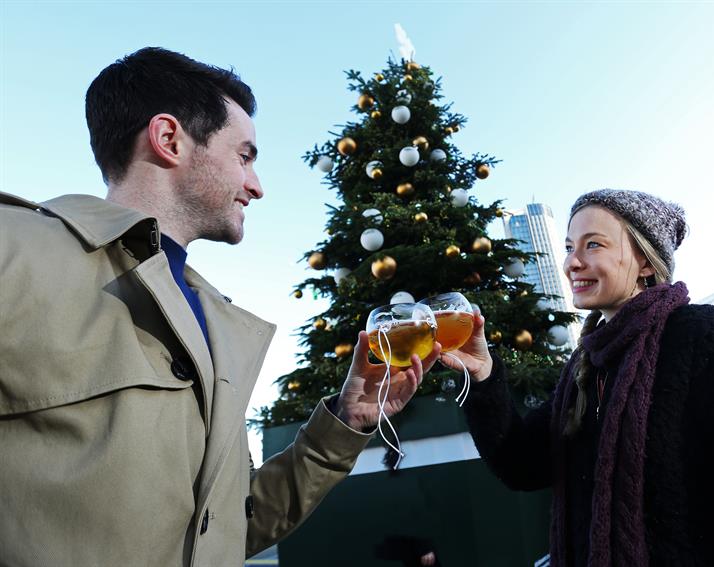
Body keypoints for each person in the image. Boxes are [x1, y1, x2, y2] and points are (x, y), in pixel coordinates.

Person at [0, 47, 439, 566]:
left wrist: (348, 420)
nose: (256, 186)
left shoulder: (213, 318)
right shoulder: (14, 249)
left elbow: (229, 526)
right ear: (169, 140)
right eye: (244, 156)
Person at [440, 189, 714, 566]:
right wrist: (484, 374)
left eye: (593, 244)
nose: (572, 262)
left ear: (645, 262)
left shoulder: (702, 335)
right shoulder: (584, 366)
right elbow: (521, 465)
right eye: (569, 247)